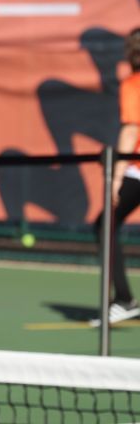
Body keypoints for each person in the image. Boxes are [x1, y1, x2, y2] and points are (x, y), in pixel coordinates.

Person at [92, 27, 140, 325]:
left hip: (136, 171)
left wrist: (116, 177)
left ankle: (123, 299)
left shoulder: (134, 84)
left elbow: (132, 128)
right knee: (105, 224)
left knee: (104, 225)